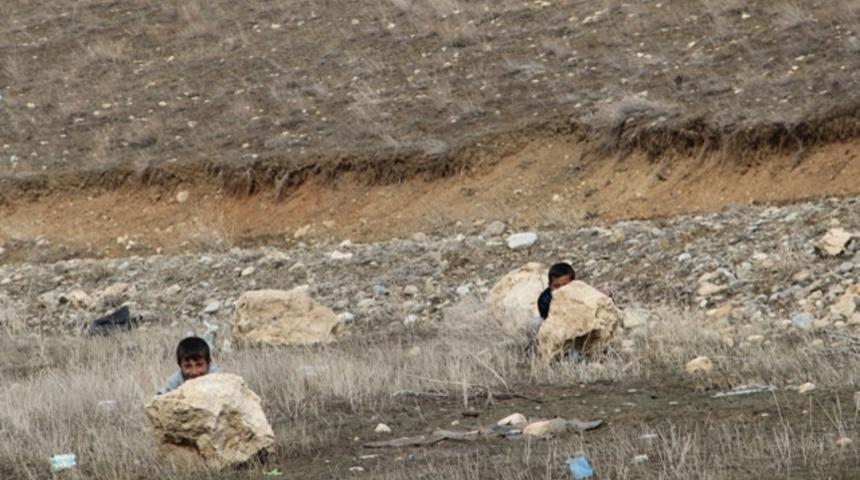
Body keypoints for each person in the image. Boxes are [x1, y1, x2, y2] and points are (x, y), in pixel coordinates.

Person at [157, 336, 222, 394]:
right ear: (180, 366)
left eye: (199, 365)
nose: (194, 372)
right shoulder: (177, 379)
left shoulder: (217, 376)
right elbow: (163, 393)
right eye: (188, 366)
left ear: (208, 363)